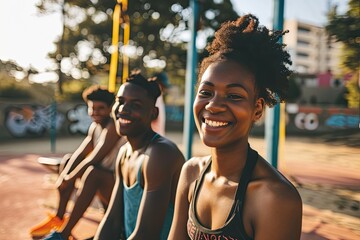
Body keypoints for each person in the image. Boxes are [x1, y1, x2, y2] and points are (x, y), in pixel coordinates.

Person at [169, 14, 303, 240]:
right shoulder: (191, 172)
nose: (213, 105)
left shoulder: (275, 197)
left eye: (233, 95)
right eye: (206, 92)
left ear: (257, 109)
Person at [93, 73, 185, 240]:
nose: (123, 109)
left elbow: (146, 235)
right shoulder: (124, 153)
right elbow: (112, 220)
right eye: (120, 101)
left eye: (135, 105)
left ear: (153, 113)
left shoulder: (160, 154)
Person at [29, 85, 126, 239]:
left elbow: (96, 157)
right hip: (106, 181)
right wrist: (63, 176)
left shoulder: (113, 126)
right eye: (92, 108)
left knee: (93, 173)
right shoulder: (95, 127)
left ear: (110, 109)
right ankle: (59, 218)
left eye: (100, 108)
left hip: (119, 188)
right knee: (68, 160)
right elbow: (80, 154)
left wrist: (70, 178)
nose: (95, 112)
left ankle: (63, 234)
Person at [151, 72, 171, 136]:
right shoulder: (152, 96)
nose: (163, 88)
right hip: (151, 139)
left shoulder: (159, 96)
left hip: (157, 137)